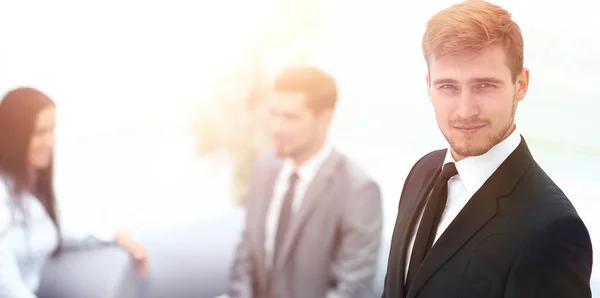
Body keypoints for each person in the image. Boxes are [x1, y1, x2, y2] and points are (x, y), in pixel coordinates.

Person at [382, 1, 594, 297]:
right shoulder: (423, 171)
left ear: (521, 84)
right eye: (448, 87)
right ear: (428, 85)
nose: (465, 110)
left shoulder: (552, 228)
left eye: (484, 86)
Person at [226, 66, 383, 298]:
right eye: (274, 114)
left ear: (324, 119)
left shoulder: (358, 190)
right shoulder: (263, 166)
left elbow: (352, 290)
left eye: (290, 117)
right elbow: (246, 255)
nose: (276, 128)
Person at [0, 87, 149, 297]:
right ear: (15, 136)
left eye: (51, 130)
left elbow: (58, 228)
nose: (50, 142)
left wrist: (114, 236)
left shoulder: (28, 192)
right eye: (40, 132)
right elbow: (6, 284)